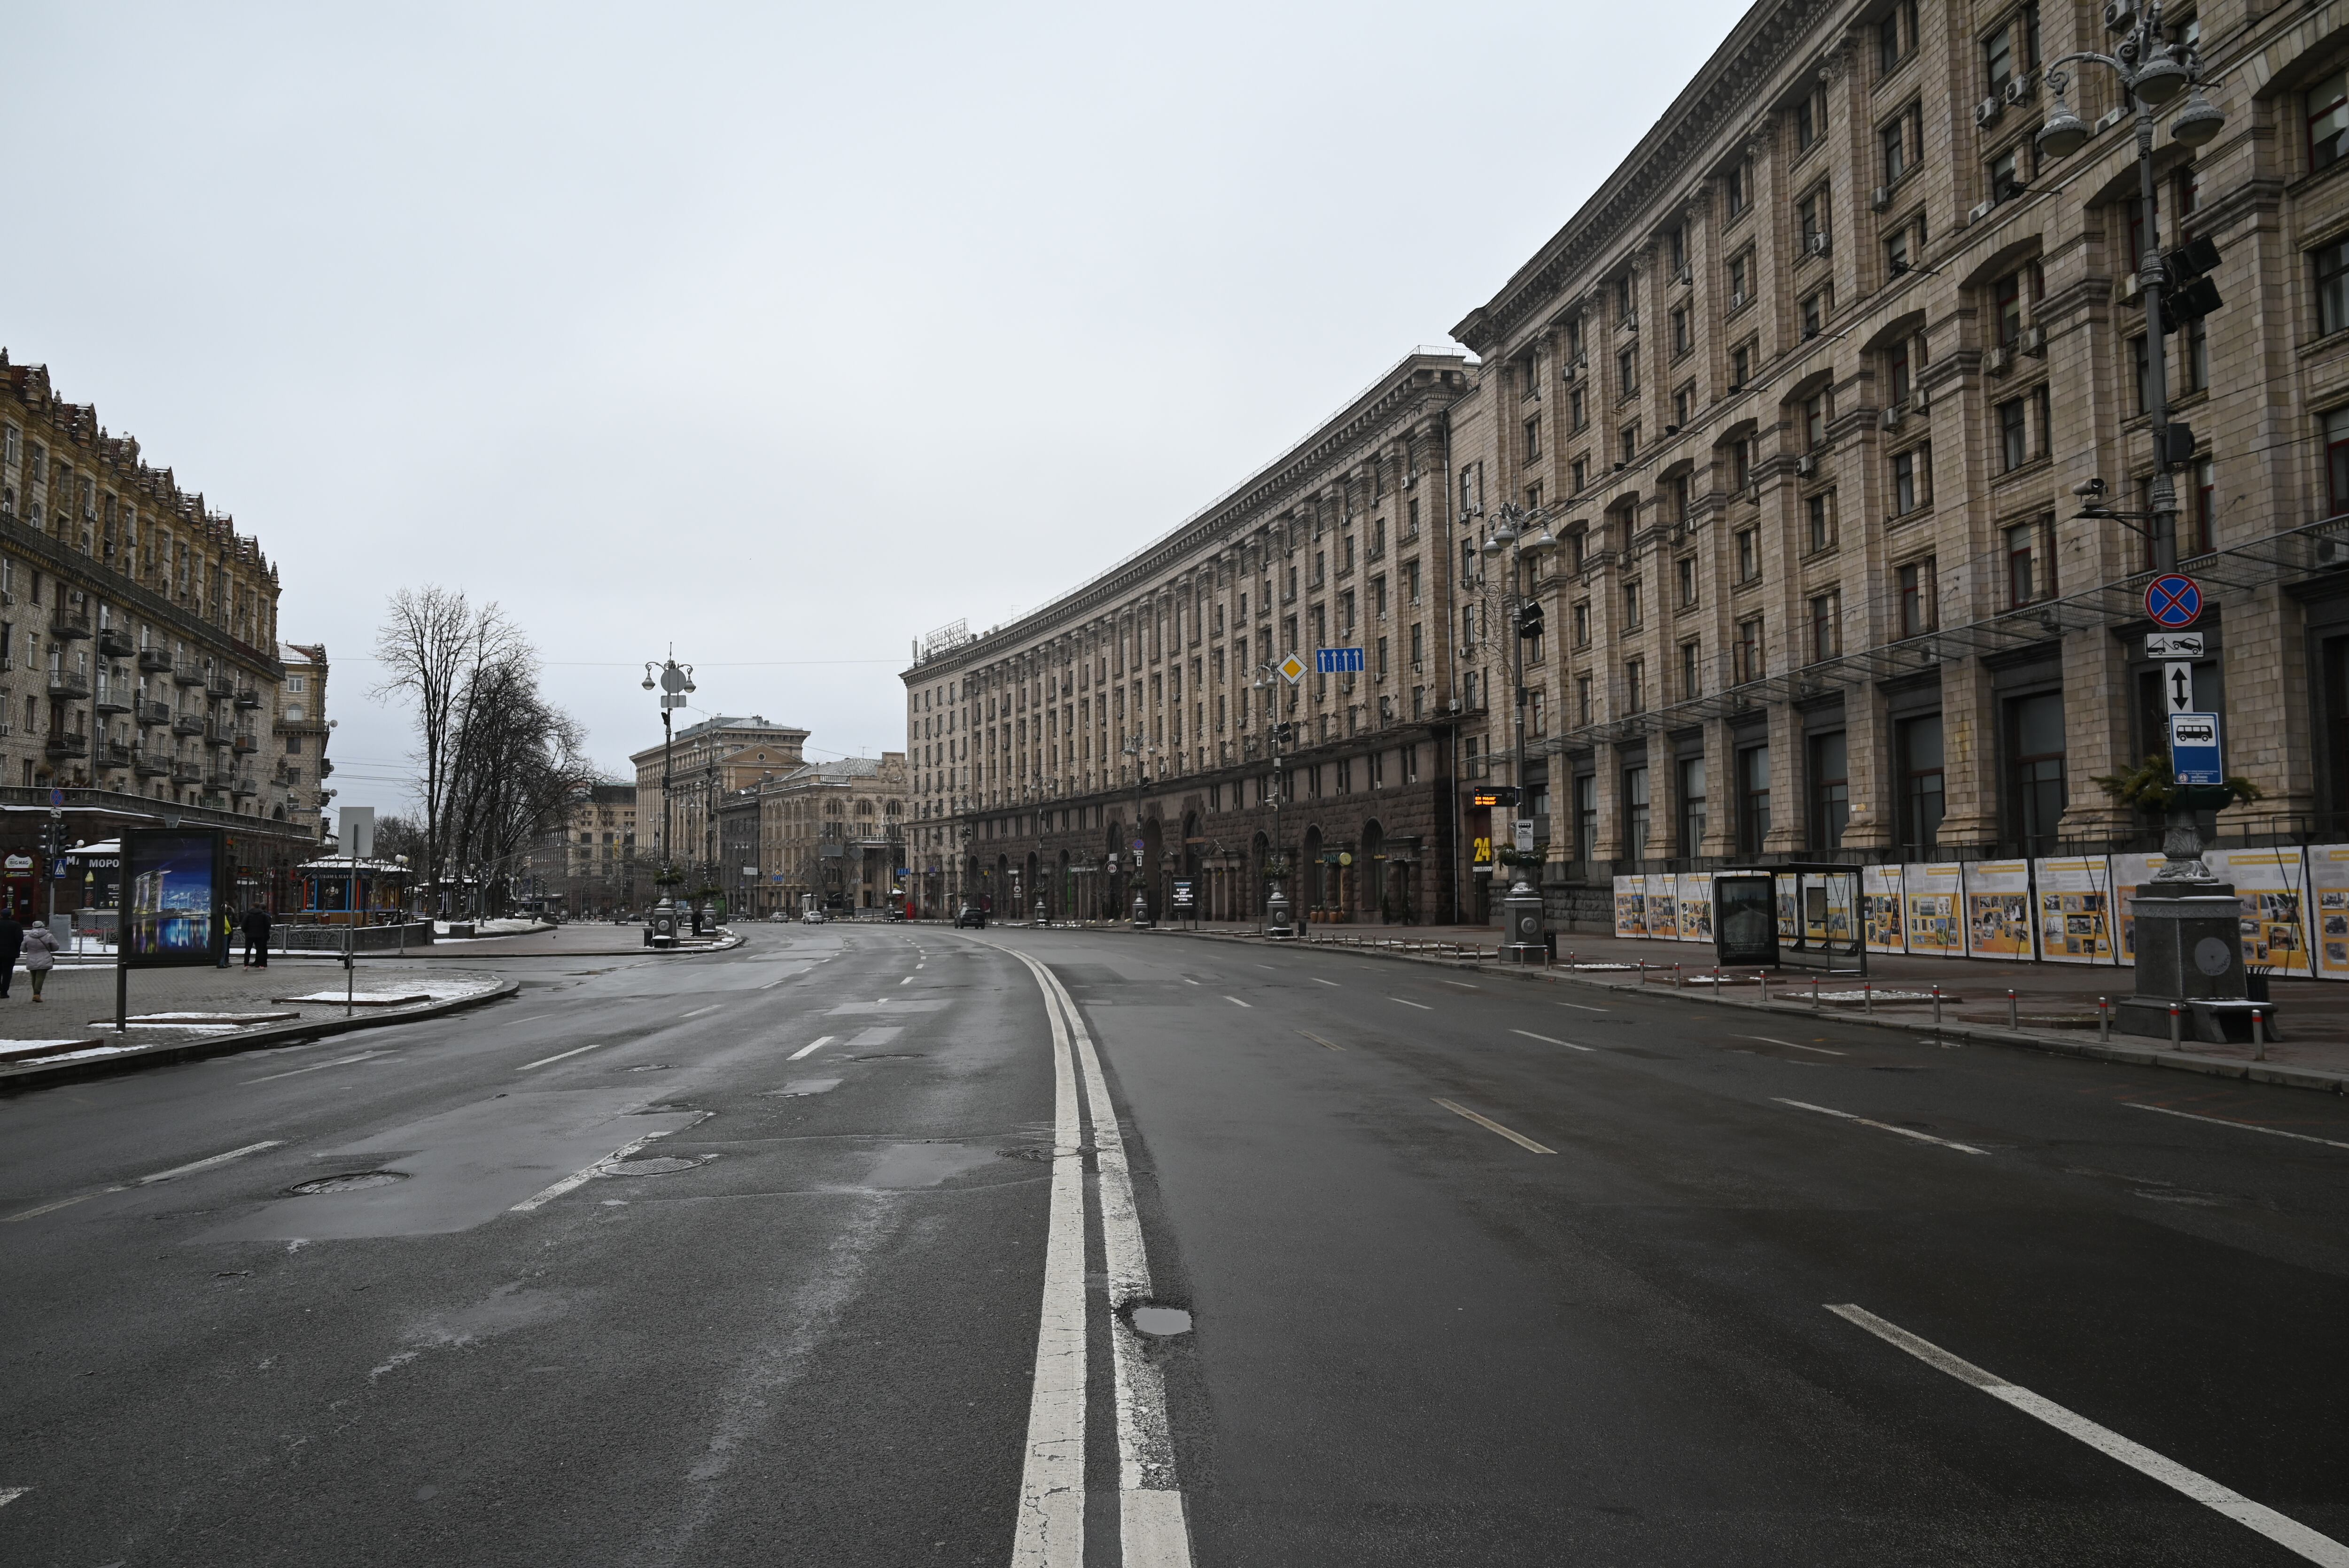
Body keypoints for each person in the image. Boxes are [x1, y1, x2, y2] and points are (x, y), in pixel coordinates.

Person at [21, 917, 58, 1002]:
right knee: (40, 977)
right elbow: (56, 947)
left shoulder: (27, 937)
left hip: (31, 959)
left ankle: (36, 994)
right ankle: (37, 995)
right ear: (43, 927)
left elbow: (23, 949)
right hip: (45, 959)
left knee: (34, 977)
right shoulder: (49, 936)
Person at [242, 903, 272, 968]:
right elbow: (268, 925)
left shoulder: (248, 915)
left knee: (248, 950)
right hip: (260, 935)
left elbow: (244, 924)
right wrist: (263, 932)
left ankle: (246, 964)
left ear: (253, 907)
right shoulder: (263, 915)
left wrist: (246, 931)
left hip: (249, 935)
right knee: (260, 950)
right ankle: (261, 965)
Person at [0, 908, 21, 1000]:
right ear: (10, 915)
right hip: (10, 954)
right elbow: (19, 939)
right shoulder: (16, 925)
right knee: (7, 973)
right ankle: (4, 992)